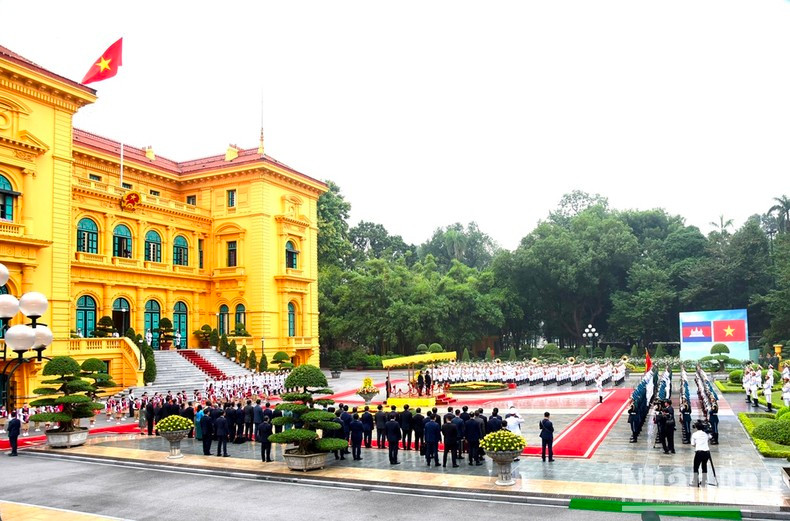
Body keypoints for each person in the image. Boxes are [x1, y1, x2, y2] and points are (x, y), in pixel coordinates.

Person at [689, 421, 712, 487]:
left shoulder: (695, 434)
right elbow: (710, 437)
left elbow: (693, 444)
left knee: (696, 467)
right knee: (704, 466)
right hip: (707, 452)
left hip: (699, 452)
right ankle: (704, 481)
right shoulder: (706, 433)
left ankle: (695, 481)